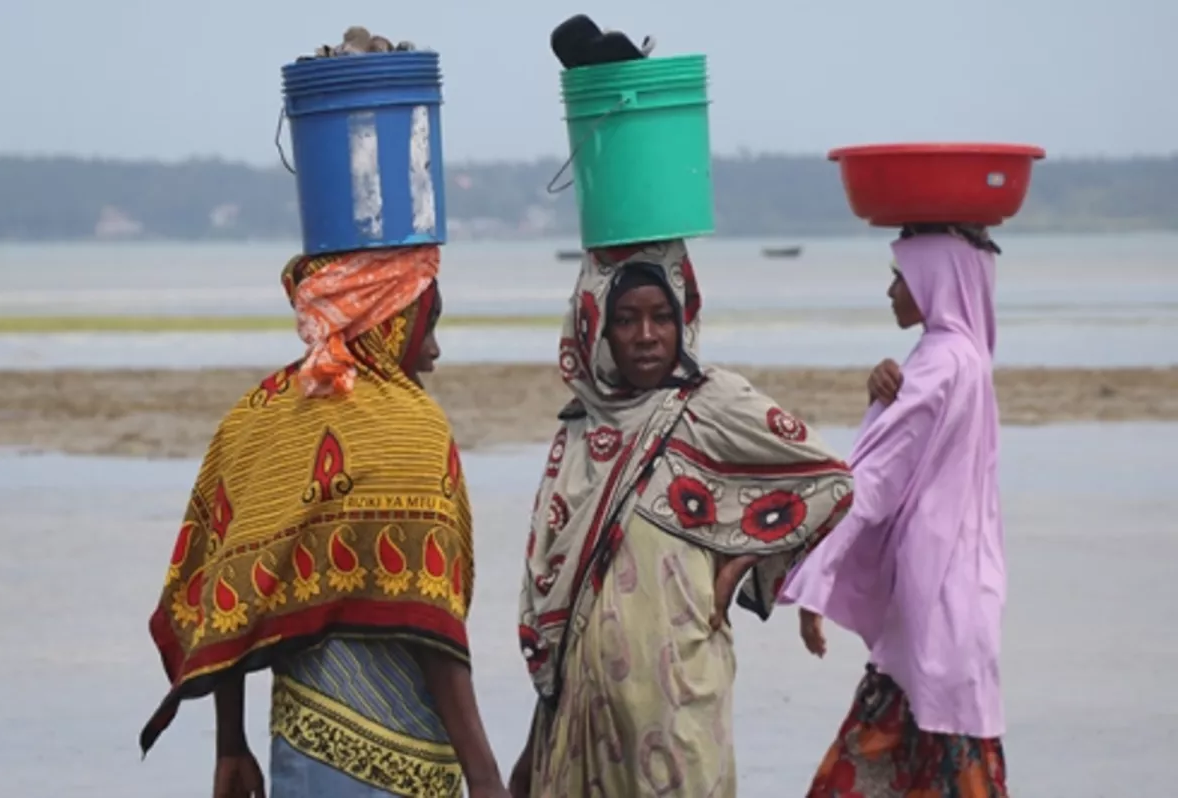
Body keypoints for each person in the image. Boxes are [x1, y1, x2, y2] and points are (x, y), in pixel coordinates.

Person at [139, 247, 510, 798]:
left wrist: (230, 744)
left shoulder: (260, 413)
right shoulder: (413, 429)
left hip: (302, 747)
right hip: (407, 748)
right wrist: (483, 774)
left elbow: (229, 591)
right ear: (388, 319)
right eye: (424, 326)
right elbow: (431, 618)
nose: (432, 351)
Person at [507, 240, 855, 797]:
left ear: (683, 317)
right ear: (595, 327)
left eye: (661, 316)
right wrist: (530, 753)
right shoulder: (578, 433)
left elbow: (829, 484)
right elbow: (561, 613)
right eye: (625, 319)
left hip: (678, 711)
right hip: (579, 724)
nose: (646, 335)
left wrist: (747, 555)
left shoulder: (713, 407)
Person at [782, 226, 1010, 797]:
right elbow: (911, 461)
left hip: (934, 615)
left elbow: (875, 481)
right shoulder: (967, 359)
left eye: (899, 276)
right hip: (962, 609)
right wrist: (880, 404)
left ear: (935, 280)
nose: (889, 291)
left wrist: (814, 580)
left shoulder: (937, 364)